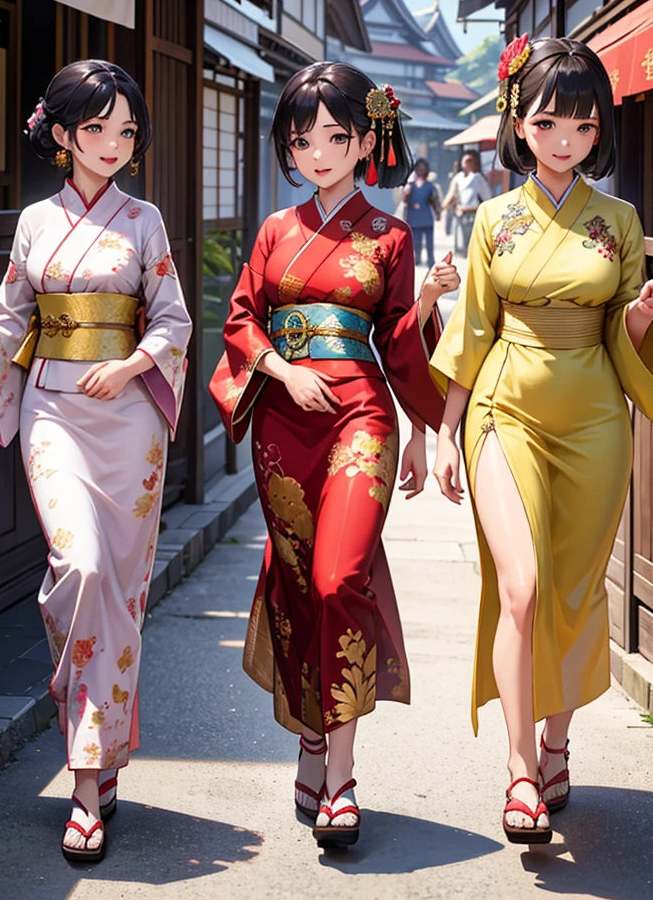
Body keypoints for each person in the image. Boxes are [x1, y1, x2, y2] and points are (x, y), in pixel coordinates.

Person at [0, 60, 192, 862]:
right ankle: (88, 759)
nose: (113, 143)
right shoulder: (37, 222)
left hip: (129, 416)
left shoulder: (144, 221)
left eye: (126, 131)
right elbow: (10, 314)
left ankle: (94, 758)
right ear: (64, 133)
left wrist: (136, 363)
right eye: (97, 128)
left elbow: (172, 320)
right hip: (53, 412)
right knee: (77, 568)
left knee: (118, 584)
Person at [209, 63, 459, 849]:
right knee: (296, 583)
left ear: (364, 141)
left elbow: (396, 342)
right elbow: (242, 321)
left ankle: (342, 777)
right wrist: (282, 371)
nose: (318, 152)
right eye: (302, 139)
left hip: (361, 418)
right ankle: (311, 736)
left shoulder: (390, 236)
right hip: (285, 421)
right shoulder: (274, 232)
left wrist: (426, 428)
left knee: (338, 575)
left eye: (335, 137)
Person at [430, 35, 653, 845]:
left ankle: (559, 742)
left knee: (572, 589)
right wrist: (444, 426)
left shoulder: (621, 220)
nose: (564, 138)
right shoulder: (492, 220)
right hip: (505, 406)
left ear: (599, 129)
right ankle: (520, 769)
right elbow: (470, 327)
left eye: (581, 123)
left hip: (596, 413)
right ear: (520, 126)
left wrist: (640, 317)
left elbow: (625, 328)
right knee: (524, 585)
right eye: (547, 122)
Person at [441, 150, 492, 254]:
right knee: (460, 242)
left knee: (471, 243)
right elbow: (452, 193)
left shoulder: (477, 178)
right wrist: (445, 204)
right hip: (460, 213)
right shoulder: (459, 177)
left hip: (472, 212)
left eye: (470, 161)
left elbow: (488, 197)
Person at [402, 157, 441, 265]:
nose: (421, 171)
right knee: (416, 241)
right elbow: (404, 200)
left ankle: (430, 260)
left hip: (426, 217)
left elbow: (434, 201)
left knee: (429, 242)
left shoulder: (430, 186)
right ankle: (417, 259)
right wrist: (406, 193)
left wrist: (438, 213)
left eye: (424, 169)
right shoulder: (410, 186)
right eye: (419, 168)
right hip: (413, 218)